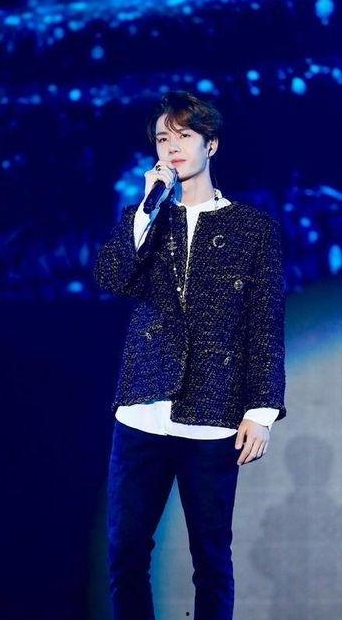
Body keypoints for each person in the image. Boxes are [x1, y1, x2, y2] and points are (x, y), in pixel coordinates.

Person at [93, 90, 286, 619]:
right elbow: (111, 277)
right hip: (141, 409)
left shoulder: (253, 229)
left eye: (184, 136)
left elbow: (265, 323)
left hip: (213, 412)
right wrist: (146, 208)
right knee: (125, 551)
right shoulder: (147, 219)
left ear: (211, 145)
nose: (172, 147)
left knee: (211, 558)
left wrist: (261, 410)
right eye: (163, 138)